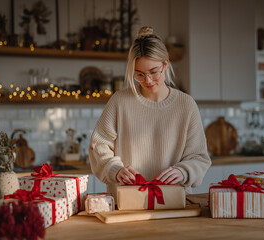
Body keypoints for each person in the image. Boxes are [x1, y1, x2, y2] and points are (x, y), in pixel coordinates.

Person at [89, 26, 211, 197]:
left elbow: (199, 157)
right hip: (127, 202)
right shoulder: (119, 101)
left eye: (153, 72)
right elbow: (98, 145)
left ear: (165, 64)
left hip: (173, 202)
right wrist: (115, 170)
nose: (147, 80)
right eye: (139, 74)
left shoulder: (186, 105)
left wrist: (183, 172)